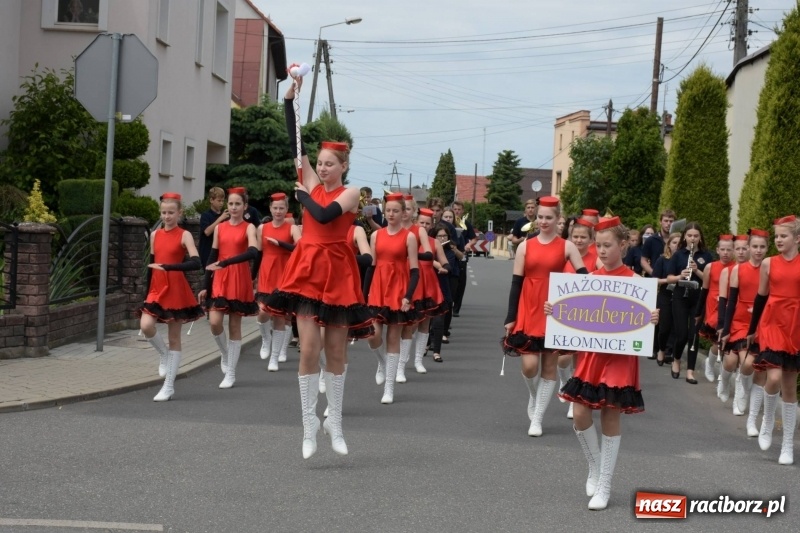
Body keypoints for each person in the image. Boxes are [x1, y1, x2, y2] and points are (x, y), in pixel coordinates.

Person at [267, 77, 371, 459]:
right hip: (307, 269)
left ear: (343, 165)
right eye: (320, 164)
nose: (323, 168)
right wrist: (290, 100)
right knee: (309, 348)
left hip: (338, 271)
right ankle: (309, 423)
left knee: (337, 352)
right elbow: (295, 143)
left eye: (330, 164)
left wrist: (302, 196)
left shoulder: (351, 191)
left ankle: (335, 422)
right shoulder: (309, 179)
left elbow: (325, 215)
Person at [555, 216, 659, 510]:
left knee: (610, 415)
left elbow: (644, 328)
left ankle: (605, 485)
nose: (600, 250)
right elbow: (572, 318)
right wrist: (556, 310)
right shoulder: (587, 281)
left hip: (620, 358)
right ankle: (595, 465)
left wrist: (652, 319)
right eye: (597, 245)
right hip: (591, 356)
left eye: (607, 245)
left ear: (623, 245)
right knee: (579, 414)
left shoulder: (638, 284)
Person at [503, 196, 586, 437]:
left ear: (558, 219)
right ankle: (534, 395)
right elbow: (516, 283)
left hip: (555, 311)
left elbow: (585, 279)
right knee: (529, 367)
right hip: (528, 308)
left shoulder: (567, 246)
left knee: (549, 365)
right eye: (540, 217)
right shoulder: (525, 246)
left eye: (549, 217)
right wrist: (510, 316)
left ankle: (537, 418)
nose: (543, 221)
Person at [140, 193, 205, 402]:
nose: (166, 216)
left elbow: (197, 263)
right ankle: (164, 355)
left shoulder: (184, 235)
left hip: (176, 288)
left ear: (179, 213)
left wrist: (170, 267)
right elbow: (152, 265)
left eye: (170, 213)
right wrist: (146, 292)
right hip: (157, 287)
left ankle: (168, 386)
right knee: (146, 325)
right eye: (163, 212)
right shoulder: (155, 235)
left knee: (174, 337)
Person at [747, 215, 800, 465]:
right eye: (776, 236)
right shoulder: (768, 263)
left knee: (789, 387)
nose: (778, 239)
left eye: (783, 236)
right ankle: (767, 420)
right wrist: (751, 329)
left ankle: (787, 444)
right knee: (774, 377)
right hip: (772, 322)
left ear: (797, 238)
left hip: (796, 326)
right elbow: (760, 298)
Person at [198, 187, 259, 389]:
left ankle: (231, 372)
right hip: (220, 277)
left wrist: (229, 262)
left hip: (238, 277)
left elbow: (253, 252)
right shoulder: (219, 228)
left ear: (245, 206)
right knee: (214, 322)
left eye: (237, 204)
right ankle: (225, 354)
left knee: (234, 325)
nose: (233, 207)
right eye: (231, 204)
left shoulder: (249, 227)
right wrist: (205, 286)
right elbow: (212, 257)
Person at [363, 193, 420, 405]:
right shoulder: (376, 236)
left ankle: (389, 388)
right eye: (389, 211)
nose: (392, 214)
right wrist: (364, 293)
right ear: (384, 212)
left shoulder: (409, 237)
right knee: (372, 335)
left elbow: (415, 270)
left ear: (404, 212)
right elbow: (371, 267)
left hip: (398, 289)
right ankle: (383, 362)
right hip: (378, 289)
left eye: (396, 210)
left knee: (393, 338)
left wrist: (408, 296)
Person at [720, 231, 767, 431]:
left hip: (761, 320)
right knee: (735, 361)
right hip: (740, 320)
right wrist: (725, 328)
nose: (757, 251)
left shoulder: (768, 269)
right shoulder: (738, 270)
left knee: (749, 365)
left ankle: (742, 382)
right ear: (748, 248)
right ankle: (727, 381)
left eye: (762, 247)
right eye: (754, 247)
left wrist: (758, 312)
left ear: (766, 249)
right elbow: (730, 302)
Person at [556, 218, 599, 420]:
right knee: (563, 358)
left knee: (580, 361)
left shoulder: (596, 257)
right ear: (570, 238)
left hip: (588, 314)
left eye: (583, 237)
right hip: (565, 314)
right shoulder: (564, 256)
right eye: (575, 237)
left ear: (591, 240)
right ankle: (566, 384)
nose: (579, 240)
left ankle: (574, 399)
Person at [254, 193, 301, 372]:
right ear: (270, 209)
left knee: (280, 317)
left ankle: (274, 357)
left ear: (286, 209)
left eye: (282, 208)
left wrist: (281, 243)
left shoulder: (292, 228)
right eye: (275, 208)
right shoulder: (262, 228)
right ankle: (266, 339)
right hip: (266, 273)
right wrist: (253, 276)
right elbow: (258, 253)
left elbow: (301, 247)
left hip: (284, 274)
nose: (278, 211)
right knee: (262, 313)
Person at [665, 222, 712, 384]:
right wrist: (680, 276)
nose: (693, 239)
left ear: (700, 238)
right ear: (685, 236)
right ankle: (676, 359)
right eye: (690, 235)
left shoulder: (706, 256)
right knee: (682, 334)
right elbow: (669, 277)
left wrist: (697, 269)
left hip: (698, 298)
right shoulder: (678, 255)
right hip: (680, 296)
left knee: (694, 335)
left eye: (696, 236)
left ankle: (690, 371)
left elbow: (710, 279)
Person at [695, 235, 735, 384]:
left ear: (733, 251)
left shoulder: (736, 268)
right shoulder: (710, 267)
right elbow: (704, 290)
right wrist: (699, 312)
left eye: (729, 250)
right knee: (718, 341)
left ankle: (712, 364)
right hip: (713, 305)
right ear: (717, 250)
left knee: (724, 342)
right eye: (722, 249)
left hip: (729, 305)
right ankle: (710, 365)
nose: (725, 253)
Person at [430, 223, 457, 363]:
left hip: (443, 287)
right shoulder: (428, 249)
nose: (442, 239)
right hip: (428, 287)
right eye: (439, 236)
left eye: (444, 236)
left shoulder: (449, 252)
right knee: (427, 321)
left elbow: (449, 267)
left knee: (439, 320)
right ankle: (427, 343)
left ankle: (436, 350)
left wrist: (440, 265)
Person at [653, 232, 682, 366]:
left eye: (679, 243)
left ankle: (670, 352)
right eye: (674, 242)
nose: (677, 245)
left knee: (676, 326)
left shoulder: (683, 259)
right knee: (664, 326)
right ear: (669, 245)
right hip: (665, 294)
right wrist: (670, 280)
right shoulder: (662, 260)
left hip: (680, 295)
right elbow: (655, 280)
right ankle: (661, 349)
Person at [451, 200, 477, 317]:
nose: (457, 211)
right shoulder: (448, 223)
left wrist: (468, 245)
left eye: (459, 209)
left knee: (461, 282)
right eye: (455, 209)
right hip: (450, 255)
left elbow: (474, 238)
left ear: (462, 211)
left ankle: (456, 309)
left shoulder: (466, 223)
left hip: (462, 255)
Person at [641, 210, 677, 277]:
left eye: (671, 221)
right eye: (666, 221)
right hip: (655, 280)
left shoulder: (679, 240)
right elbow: (643, 260)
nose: (668, 223)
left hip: (674, 278)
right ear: (660, 222)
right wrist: (653, 273)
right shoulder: (651, 240)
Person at [199, 187, 229, 266]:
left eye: (223, 201)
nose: (221, 203)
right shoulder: (205, 215)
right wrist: (220, 219)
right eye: (219, 201)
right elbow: (207, 232)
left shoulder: (225, 215)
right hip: (208, 253)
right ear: (211, 200)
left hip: (222, 252)